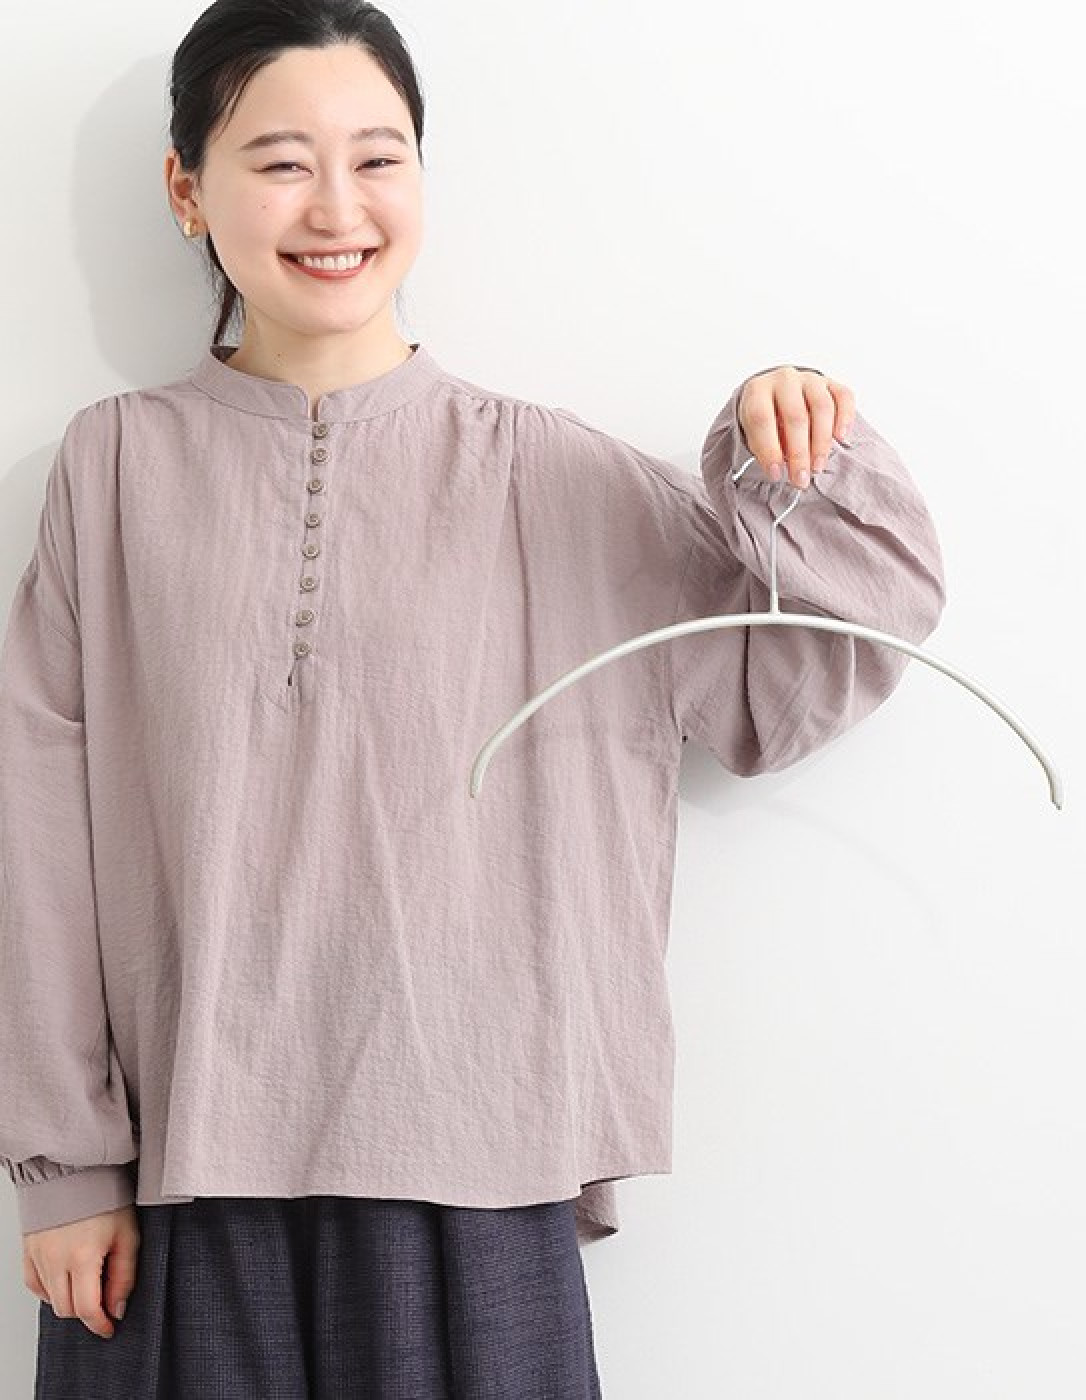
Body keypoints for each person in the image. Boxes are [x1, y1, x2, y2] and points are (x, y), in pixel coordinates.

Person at [0, 0, 948, 1395]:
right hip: (176, 1182)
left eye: (378, 158)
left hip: (477, 1175)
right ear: (186, 189)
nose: (337, 206)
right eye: (281, 160)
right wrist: (64, 1163)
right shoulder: (112, 469)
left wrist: (794, 449)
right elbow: (36, 829)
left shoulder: (558, 479)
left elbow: (809, 670)